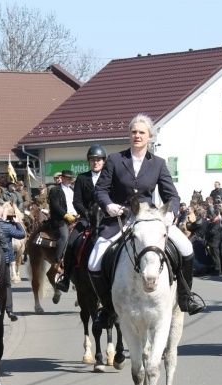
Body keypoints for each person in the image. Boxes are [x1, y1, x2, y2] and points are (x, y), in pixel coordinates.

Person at [88, 113, 204, 327]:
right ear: (129, 135)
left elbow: (172, 195)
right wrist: (108, 205)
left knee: (186, 247)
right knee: (93, 262)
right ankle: (108, 308)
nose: (137, 136)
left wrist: (170, 213)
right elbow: (100, 190)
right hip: (120, 218)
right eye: (133, 132)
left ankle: (185, 297)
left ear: (150, 136)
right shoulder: (115, 159)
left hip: (150, 219)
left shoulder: (158, 163)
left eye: (142, 132)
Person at [57, 144, 107, 293]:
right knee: (71, 242)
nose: (95, 162)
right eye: (92, 160)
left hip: (107, 218)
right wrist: (87, 213)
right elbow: (77, 201)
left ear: (103, 161)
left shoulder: (110, 177)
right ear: (89, 161)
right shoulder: (82, 178)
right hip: (87, 218)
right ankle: (66, 277)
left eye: (98, 160)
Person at [0, 204, 25, 320]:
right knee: (7, 285)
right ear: (2, 214)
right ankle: (9, 310)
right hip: (5, 259)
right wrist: (17, 223)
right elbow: (21, 234)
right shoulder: (7, 226)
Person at [47, 169, 77, 274]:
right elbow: (55, 205)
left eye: (70, 178)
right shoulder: (55, 190)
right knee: (64, 236)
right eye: (67, 178)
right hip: (61, 219)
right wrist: (66, 215)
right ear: (62, 178)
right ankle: (57, 260)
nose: (69, 180)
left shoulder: (72, 190)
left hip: (75, 217)